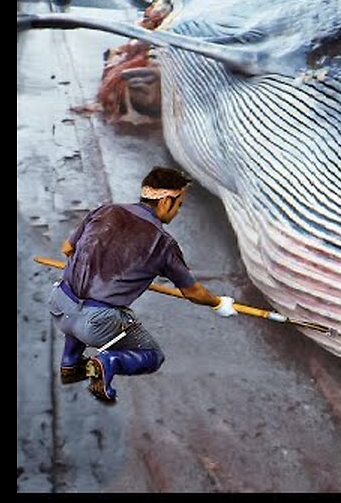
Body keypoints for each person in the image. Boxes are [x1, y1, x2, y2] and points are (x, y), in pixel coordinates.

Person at [50, 166, 238, 404]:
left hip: (59, 304)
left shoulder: (106, 210)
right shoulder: (163, 243)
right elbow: (192, 292)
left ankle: (70, 364)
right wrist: (219, 303)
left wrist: (93, 265)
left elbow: (68, 249)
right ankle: (108, 362)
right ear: (167, 201)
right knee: (151, 355)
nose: (178, 211)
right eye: (179, 204)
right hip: (95, 323)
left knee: (79, 303)